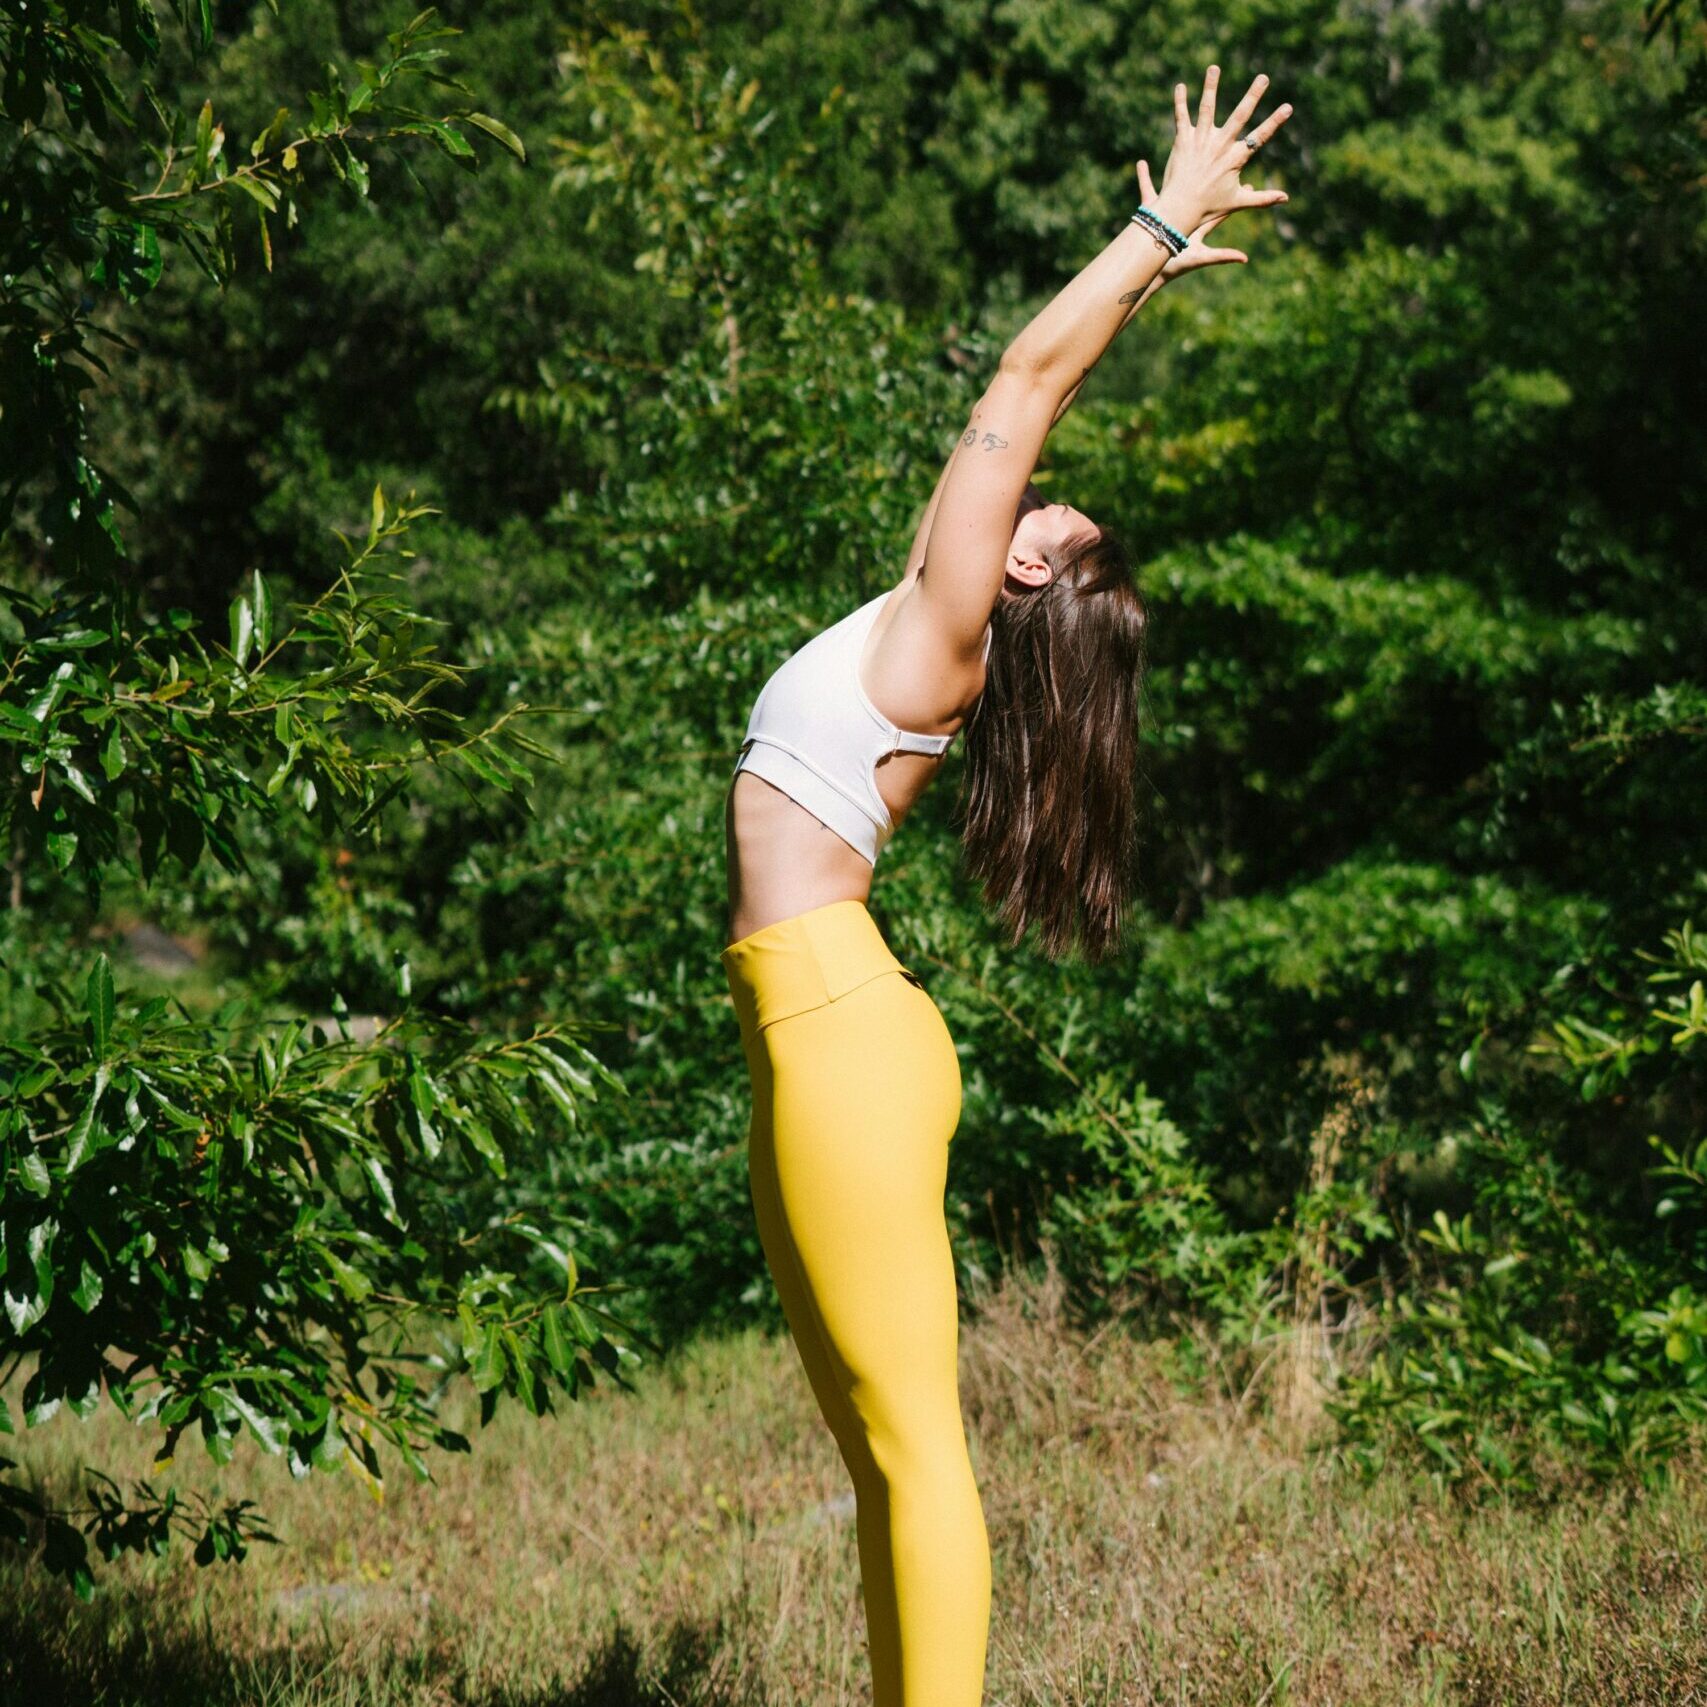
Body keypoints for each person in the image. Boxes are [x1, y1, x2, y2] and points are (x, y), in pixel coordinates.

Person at [719, 64, 1293, 1706]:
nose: (1027, 489)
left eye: (1046, 508)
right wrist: (1142, 267)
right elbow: (1026, 400)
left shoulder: (951, 627)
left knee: (917, 1452)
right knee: (879, 1457)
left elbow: (1028, 377)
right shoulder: (923, 615)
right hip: (812, 1032)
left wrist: (1155, 222)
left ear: (1028, 568)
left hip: (844, 1040)